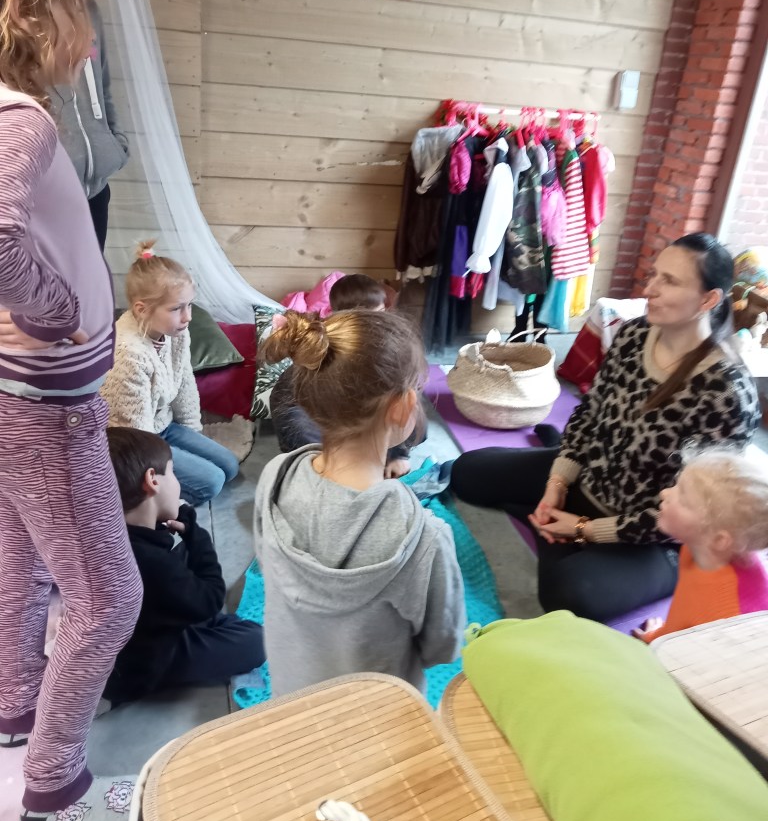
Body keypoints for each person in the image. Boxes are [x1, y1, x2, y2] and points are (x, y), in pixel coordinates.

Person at [0, 0, 141, 821]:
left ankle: (15, 709)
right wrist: (51, 308)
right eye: (76, 2)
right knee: (109, 597)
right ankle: (56, 785)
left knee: (19, 559)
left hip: (18, 398)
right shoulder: (24, 122)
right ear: (25, 10)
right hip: (48, 405)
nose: (88, 30)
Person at [451, 233, 760, 622]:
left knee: (570, 595)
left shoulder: (726, 394)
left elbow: (700, 508)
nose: (650, 289)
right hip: (589, 480)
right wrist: (557, 483)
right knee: (467, 473)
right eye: (654, 275)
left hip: (653, 532)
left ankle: (551, 527)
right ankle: (550, 520)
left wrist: (585, 529)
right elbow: (590, 412)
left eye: (670, 281)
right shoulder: (633, 335)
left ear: (708, 300)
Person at [254, 309, 465, 696]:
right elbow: (444, 647)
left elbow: (269, 567)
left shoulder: (274, 478)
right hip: (378, 715)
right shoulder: (423, 538)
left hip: (291, 700)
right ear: (403, 406)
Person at [3, 0, 130, 250]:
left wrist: (111, 143)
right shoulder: (12, 18)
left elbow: (101, 86)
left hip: (93, 193)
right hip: (37, 202)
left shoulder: (86, 5)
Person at [103, 427, 264, 704]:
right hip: (144, 666)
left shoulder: (111, 536)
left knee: (184, 560)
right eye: (173, 472)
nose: (177, 483)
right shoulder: (152, 562)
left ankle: (192, 615)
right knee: (256, 640)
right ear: (152, 480)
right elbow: (212, 599)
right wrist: (196, 535)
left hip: (133, 636)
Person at [100, 241, 240, 506]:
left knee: (229, 466)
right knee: (211, 482)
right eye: (177, 308)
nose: (188, 317)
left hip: (162, 425)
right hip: (131, 444)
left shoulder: (176, 332)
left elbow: (185, 383)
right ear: (142, 309)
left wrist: (192, 433)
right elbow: (135, 435)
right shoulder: (128, 354)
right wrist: (159, 483)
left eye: (189, 305)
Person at [270, 274, 425, 478]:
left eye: (380, 315)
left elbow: (404, 395)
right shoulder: (326, 348)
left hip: (357, 411)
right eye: (366, 320)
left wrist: (399, 453)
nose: (375, 327)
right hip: (312, 411)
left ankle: (392, 452)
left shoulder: (386, 349)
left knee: (409, 403)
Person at [636, 449, 768, 642]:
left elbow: (683, 645)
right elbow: (685, 612)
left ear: (719, 540)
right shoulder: (701, 547)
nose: (664, 493)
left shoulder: (721, 616)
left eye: (683, 499)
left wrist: (656, 640)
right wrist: (658, 634)